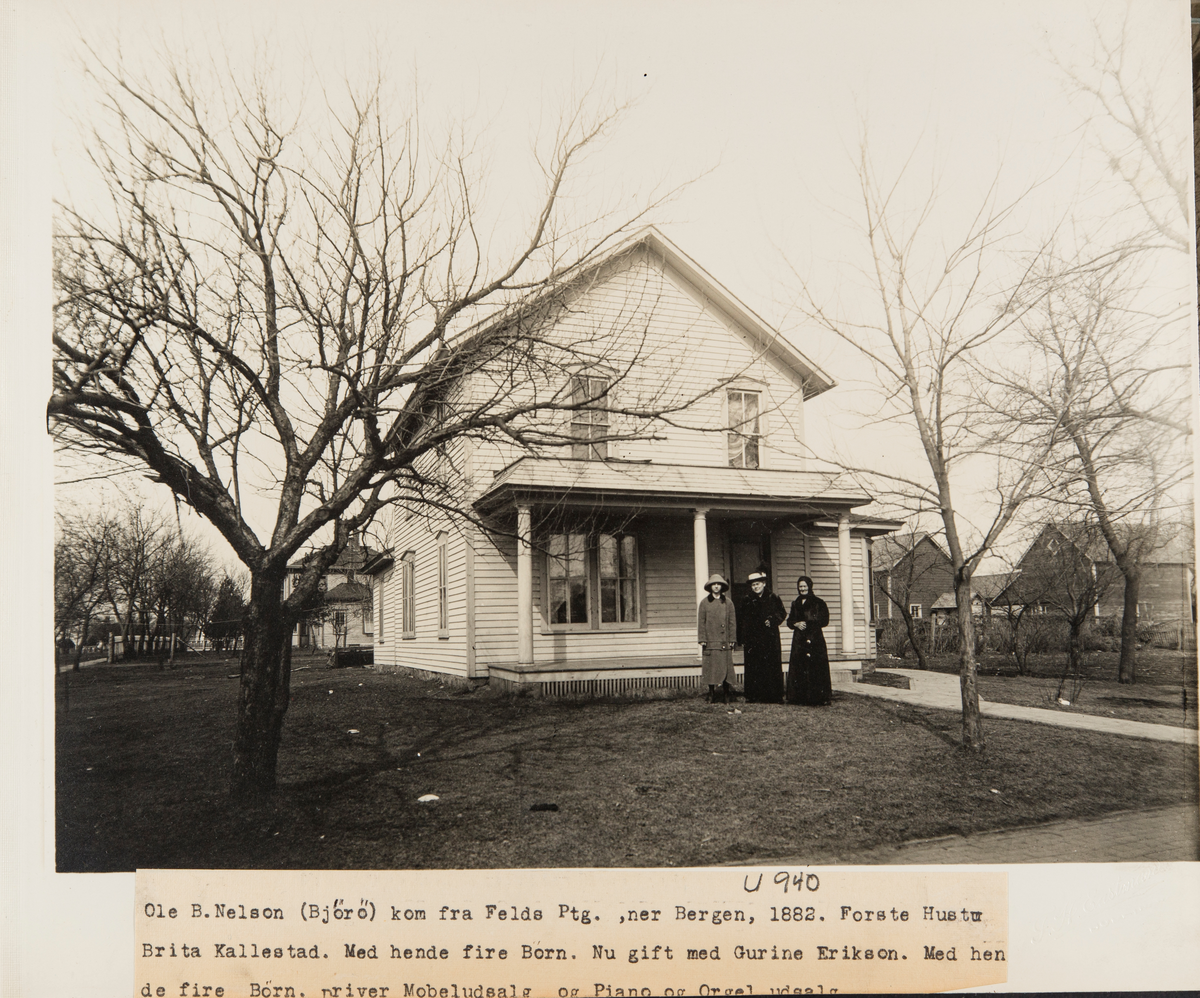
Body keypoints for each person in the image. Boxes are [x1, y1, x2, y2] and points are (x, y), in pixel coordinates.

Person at [737, 568, 786, 703]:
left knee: (771, 665)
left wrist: (772, 620)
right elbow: (741, 619)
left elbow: (782, 613)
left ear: (764, 583)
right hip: (753, 639)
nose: (755, 587)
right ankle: (754, 695)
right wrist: (743, 638)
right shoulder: (747, 600)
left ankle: (773, 695)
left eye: (757, 584)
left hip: (770, 638)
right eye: (753, 585)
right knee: (754, 666)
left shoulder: (773, 597)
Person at [785, 575, 831, 706]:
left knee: (815, 666)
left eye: (804, 586)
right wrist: (796, 624)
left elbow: (824, 621)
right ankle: (798, 697)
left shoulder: (819, 602)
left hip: (814, 639)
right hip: (799, 640)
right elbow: (789, 621)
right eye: (800, 587)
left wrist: (808, 623)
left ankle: (818, 697)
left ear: (810, 586)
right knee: (799, 666)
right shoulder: (795, 603)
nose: (802, 589)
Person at [698, 573, 737, 703]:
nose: (716, 587)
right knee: (711, 668)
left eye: (718, 584)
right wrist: (702, 638)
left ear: (722, 587)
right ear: (710, 587)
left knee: (726, 668)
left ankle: (726, 693)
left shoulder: (728, 603)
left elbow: (732, 622)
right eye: (713, 584)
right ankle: (711, 693)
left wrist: (732, 639)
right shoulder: (704, 603)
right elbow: (701, 622)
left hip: (724, 641)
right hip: (710, 641)